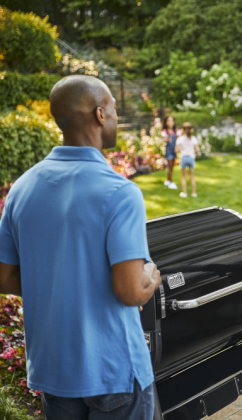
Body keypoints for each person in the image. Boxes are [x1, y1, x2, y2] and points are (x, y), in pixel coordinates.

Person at [0, 75, 162, 419]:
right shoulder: (120, 192)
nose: (117, 117)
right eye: (115, 110)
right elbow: (131, 291)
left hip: (54, 373)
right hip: (114, 372)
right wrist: (151, 276)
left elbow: (4, 277)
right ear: (100, 114)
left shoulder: (22, 189)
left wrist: (62, 286)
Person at [175, 122, 200, 198]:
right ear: (191, 130)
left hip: (184, 158)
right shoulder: (194, 139)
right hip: (191, 158)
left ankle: (184, 193)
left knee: (184, 177)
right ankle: (193, 193)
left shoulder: (180, 139)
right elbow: (197, 150)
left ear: (182, 130)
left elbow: (177, 150)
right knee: (192, 176)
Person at [162, 116, 178, 189]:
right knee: (170, 167)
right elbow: (164, 139)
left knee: (172, 166)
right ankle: (171, 182)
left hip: (174, 151)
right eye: (169, 121)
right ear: (166, 122)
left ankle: (168, 180)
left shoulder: (175, 131)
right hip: (169, 151)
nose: (171, 122)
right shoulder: (165, 132)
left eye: (172, 121)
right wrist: (168, 139)